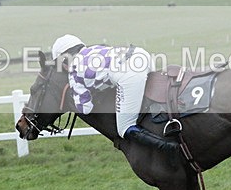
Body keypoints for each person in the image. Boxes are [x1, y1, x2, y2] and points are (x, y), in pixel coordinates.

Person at [51, 34, 179, 152]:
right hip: (142, 55)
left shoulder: (73, 73)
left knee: (124, 127)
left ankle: (169, 148)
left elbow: (85, 108)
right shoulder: (96, 48)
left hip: (130, 74)